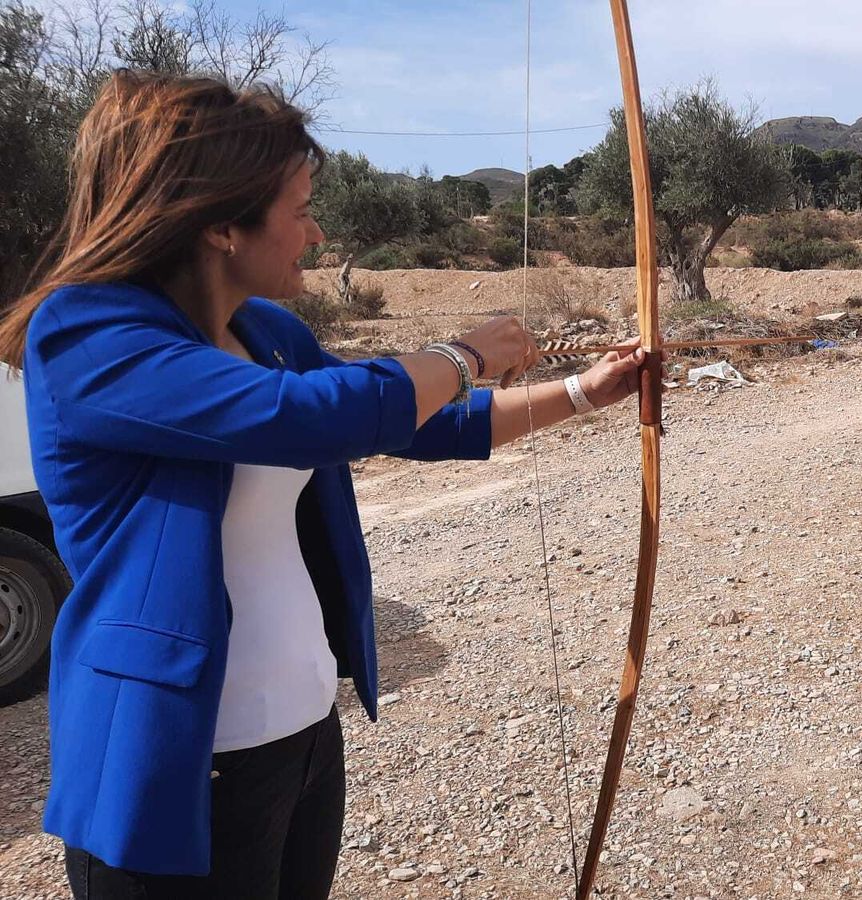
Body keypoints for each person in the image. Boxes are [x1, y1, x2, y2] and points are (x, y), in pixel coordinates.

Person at [0, 69, 645, 899]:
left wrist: (585, 391)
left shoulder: (262, 329)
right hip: (175, 763)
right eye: (299, 210)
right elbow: (312, 414)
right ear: (222, 226)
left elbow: (413, 419)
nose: (315, 232)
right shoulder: (85, 335)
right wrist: (462, 355)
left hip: (301, 739)